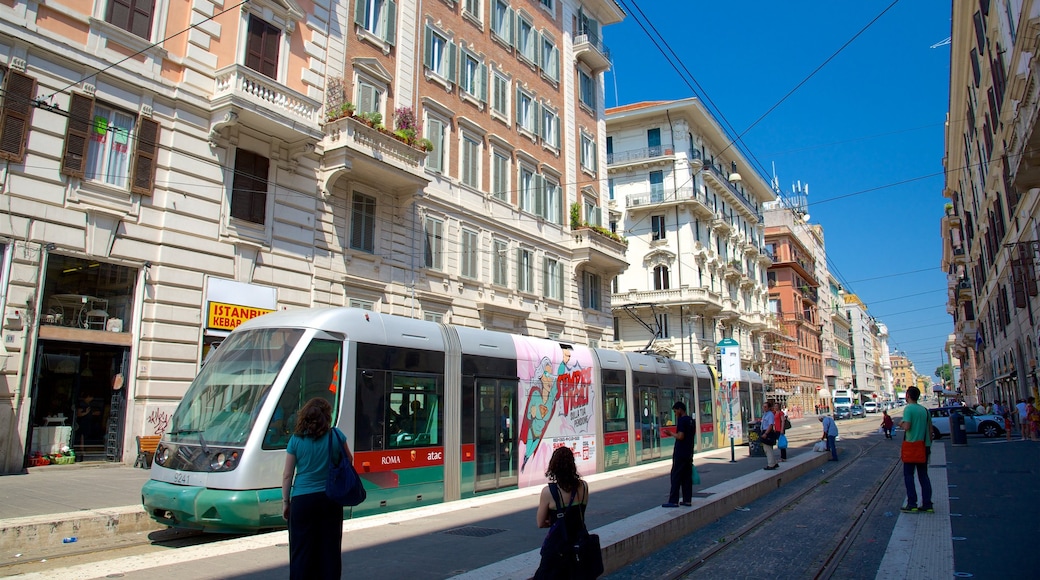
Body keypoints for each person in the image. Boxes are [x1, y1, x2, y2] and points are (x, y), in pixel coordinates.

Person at [282, 398, 351, 579]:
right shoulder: (336, 436)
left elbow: (287, 475)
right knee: (330, 550)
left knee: (301, 551)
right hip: (330, 499)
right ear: (326, 417)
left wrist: (285, 502)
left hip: (302, 500)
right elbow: (349, 461)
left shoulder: (295, 440)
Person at [534, 447, 589, 580]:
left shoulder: (548, 492)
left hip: (557, 548)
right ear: (572, 465)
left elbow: (540, 523)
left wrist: (555, 520)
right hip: (579, 542)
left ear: (553, 466)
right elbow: (579, 514)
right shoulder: (584, 486)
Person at [899, 386, 933, 513]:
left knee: (908, 475)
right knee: (924, 476)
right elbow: (930, 430)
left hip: (911, 447)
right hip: (924, 446)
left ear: (907, 396)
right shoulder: (925, 410)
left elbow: (907, 426)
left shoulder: (908, 409)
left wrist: (900, 423)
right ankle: (928, 504)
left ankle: (912, 503)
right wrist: (928, 445)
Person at [662, 401, 695, 507]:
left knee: (676, 476)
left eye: (676, 411)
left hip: (680, 453)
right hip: (689, 453)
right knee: (686, 477)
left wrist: (670, 433)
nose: (675, 414)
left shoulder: (681, 421)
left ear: (680, 409)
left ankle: (673, 501)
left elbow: (681, 436)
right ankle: (687, 500)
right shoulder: (691, 420)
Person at [760, 401, 778, 470]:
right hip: (765, 431)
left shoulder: (770, 415)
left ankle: (771, 464)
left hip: (767, 432)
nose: (764, 408)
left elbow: (770, 425)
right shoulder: (765, 414)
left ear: (769, 408)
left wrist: (766, 434)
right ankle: (773, 462)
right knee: (768, 449)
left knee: (768, 449)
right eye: (763, 406)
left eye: (765, 407)